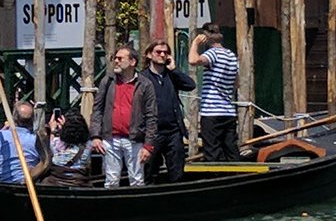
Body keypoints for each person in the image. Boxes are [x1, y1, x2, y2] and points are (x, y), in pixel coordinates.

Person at [89, 43, 157, 187]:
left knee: (137, 180)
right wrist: (95, 136)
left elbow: (151, 116)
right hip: (110, 139)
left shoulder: (145, 84)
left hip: (134, 139)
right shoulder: (108, 81)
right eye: (115, 58)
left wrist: (148, 145)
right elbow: (97, 109)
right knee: (111, 180)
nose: (116, 61)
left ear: (132, 62)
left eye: (120, 58)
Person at [141, 39, 196, 183]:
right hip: (153, 132)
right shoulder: (142, 78)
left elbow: (190, 85)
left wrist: (174, 69)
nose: (162, 55)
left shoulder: (171, 75)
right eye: (158, 52)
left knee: (177, 171)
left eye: (165, 52)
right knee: (150, 170)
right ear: (149, 54)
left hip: (173, 131)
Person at [188, 22, 240, 161]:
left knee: (212, 152)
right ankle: (236, 172)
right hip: (228, 112)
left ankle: (216, 173)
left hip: (211, 112)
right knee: (231, 150)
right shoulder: (231, 56)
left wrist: (195, 43)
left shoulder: (212, 53)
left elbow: (193, 60)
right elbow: (237, 83)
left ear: (206, 37)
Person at [34, 108, 93, 187]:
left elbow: (52, 148)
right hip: (79, 184)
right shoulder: (88, 146)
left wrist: (53, 130)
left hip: (56, 185)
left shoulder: (57, 144)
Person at [0, 100, 40, 183]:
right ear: (32, 120)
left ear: (13, 118)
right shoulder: (36, 140)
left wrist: (3, 130)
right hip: (25, 181)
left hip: (2, 181)